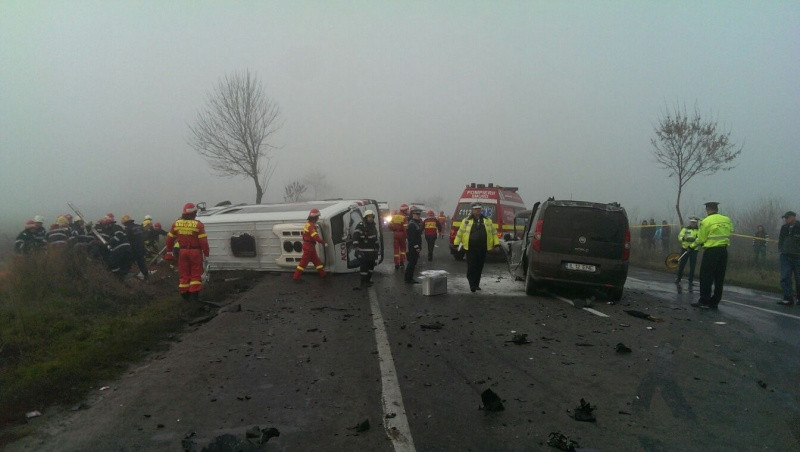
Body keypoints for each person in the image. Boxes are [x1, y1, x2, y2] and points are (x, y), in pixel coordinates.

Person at [691, 202, 733, 310]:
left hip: (711, 252)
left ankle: (704, 301)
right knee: (719, 277)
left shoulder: (706, 221)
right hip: (723, 251)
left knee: (706, 276)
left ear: (708, 209)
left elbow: (701, 239)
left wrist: (692, 246)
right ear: (717, 209)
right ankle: (715, 302)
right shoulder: (726, 219)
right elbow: (730, 231)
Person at [165, 203, 210, 301]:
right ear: (194, 212)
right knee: (195, 273)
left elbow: (169, 239)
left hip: (182, 251)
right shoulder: (198, 224)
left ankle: (185, 295)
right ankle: (194, 296)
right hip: (195, 252)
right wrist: (206, 252)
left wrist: (168, 251)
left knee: (184, 273)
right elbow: (203, 241)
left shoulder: (176, 223)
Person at [453, 203, 500, 292]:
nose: (477, 211)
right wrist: (456, 244)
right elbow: (460, 233)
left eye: (479, 209)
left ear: (481, 210)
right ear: (472, 210)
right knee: (472, 266)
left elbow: (494, 233)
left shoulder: (488, 221)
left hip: (483, 247)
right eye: (475, 209)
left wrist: (496, 244)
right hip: (470, 247)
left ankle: (476, 284)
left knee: (479, 266)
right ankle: (472, 284)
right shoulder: (466, 221)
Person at [292, 208, 327, 281]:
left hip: (309, 245)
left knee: (316, 261)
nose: (318, 218)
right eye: (317, 217)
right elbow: (315, 237)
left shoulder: (308, 224)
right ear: (315, 217)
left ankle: (323, 274)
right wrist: (323, 242)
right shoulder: (311, 226)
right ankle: (296, 277)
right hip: (309, 246)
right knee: (303, 263)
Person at [97, 213, 133, 278]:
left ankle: (119, 278)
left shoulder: (115, 227)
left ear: (108, 222)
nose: (105, 225)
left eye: (106, 223)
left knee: (112, 263)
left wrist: (108, 243)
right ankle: (125, 277)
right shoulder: (113, 228)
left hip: (120, 248)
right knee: (122, 265)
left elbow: (118, 236)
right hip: (126, 248)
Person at [776, 211, 800, 306]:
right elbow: (781, 239)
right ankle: (788, 298)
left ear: (793, 217)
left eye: (787, 217)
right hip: (785, 256)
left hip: (798, 256)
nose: (786, 219)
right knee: (785, 277)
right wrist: (781, 249)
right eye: (785, 218)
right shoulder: (784, 228)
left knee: (799, 278)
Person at [353, 209, 380, 286]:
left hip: (372, 251)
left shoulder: (373, 226)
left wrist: (377, 248)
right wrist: (356, 247)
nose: (371, 218)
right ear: (365, 218)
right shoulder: (360, 226)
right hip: (363, 251)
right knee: (364, 268)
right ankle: (363, 282)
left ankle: (368, 280)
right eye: (369, 217)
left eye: (372, 217)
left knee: (371, 267)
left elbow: (375, 239)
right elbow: (356, 237)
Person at [121, 215, 149, 280]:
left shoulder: (127, 229)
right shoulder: (139, 226)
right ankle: (146, 275)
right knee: (141, 262)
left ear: (125, 222)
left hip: (133, 248)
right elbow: (145, 235)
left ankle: (125, 275)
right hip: (142, 247)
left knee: (127, 261)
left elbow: (126, 238)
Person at [675, 217, 699, 288]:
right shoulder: (685, 229)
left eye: (694, 222)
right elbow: (679, 237)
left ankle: (690, 281)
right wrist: (683, 238)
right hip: (684, 249)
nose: (693, 223)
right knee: (682, 264)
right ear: (690, 222)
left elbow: (699, 240)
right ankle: (678, 279)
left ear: (696, 223)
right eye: (691, 222)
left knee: (692, 266)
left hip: (694, 250)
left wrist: (691, 246)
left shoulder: (699, 230)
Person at [404, 207, 423, 284]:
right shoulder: (412, 224)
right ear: (413, 215)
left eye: (419, 214)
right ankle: (408, 278)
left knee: (413, 263)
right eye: (416, 214)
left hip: (414, 247)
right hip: (413, 247)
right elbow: (412, 238)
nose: (418, 216)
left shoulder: (415, 223)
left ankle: (409, 277)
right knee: (412, 263)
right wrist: (417, 247)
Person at [388, 204, 409, 269]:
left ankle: (396, 263)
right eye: (407, 210)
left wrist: (394, 229)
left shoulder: (394, 216)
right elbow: (405, 228)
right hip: (402, 234)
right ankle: (402, 262)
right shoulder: (404, 217)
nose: (407, 211)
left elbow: (389, 225)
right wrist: (406, 236)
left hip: (395, 234)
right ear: (404, 210)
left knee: (396, 250)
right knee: (403, 249)